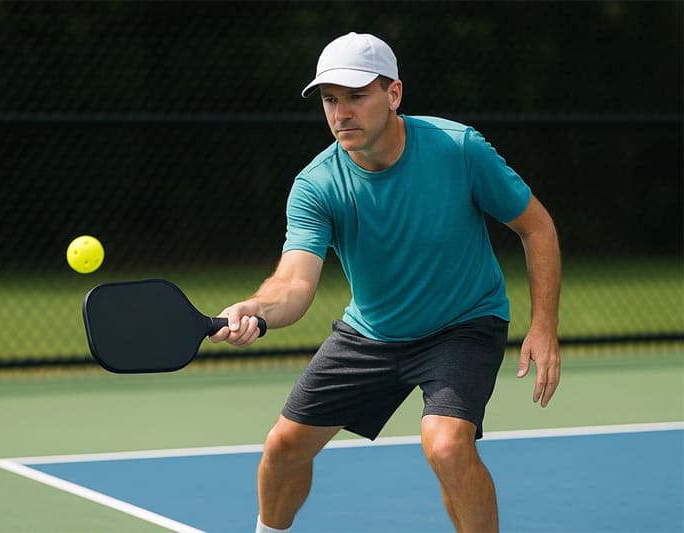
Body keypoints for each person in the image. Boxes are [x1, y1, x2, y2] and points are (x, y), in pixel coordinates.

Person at [209, 32, 561, 533]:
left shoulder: (458, 149)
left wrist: (543, 325)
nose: (341, 113)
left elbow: (536, 226)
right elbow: (293, 284)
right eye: (330, 100)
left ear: (393, 94)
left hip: (462, 324)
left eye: (356, 96)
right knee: (283, 448)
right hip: (372, 332)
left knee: (446, 445)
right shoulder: (317, 185)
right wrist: (257, 309)